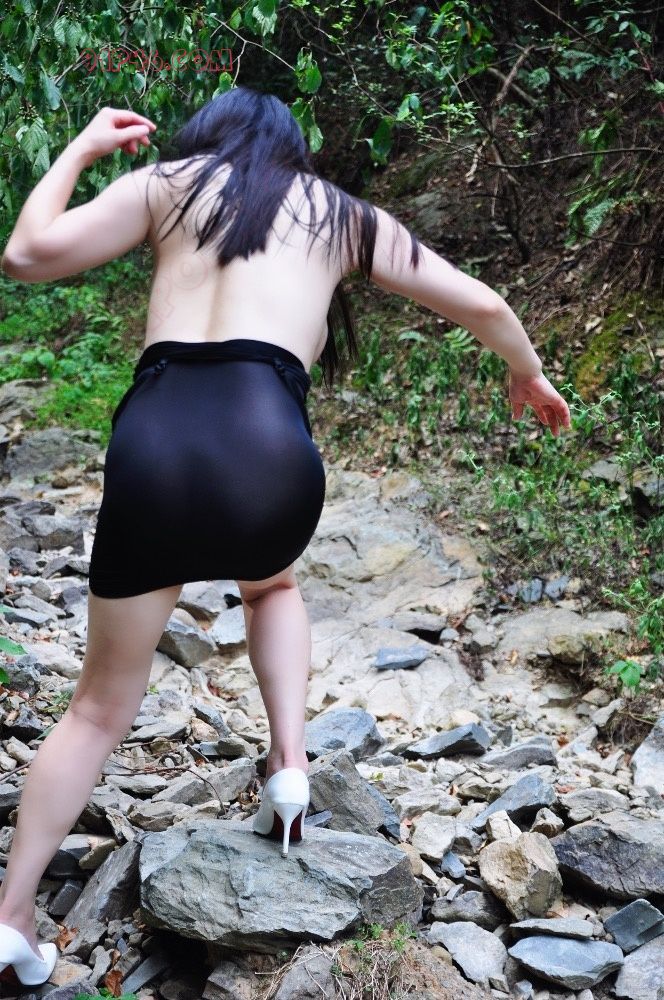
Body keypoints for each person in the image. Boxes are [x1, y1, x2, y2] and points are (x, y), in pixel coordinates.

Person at [0, 86, 571, 985]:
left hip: (153, 441)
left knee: (98, 709)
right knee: (271, 584)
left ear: (207, 136)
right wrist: (526, 373)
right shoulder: (339, 214)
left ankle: (12, 916)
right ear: (293, 149)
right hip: (267, 442)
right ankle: (290, 767)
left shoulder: (168, 184)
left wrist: (80, 149)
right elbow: (485, 305)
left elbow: (26, 254)